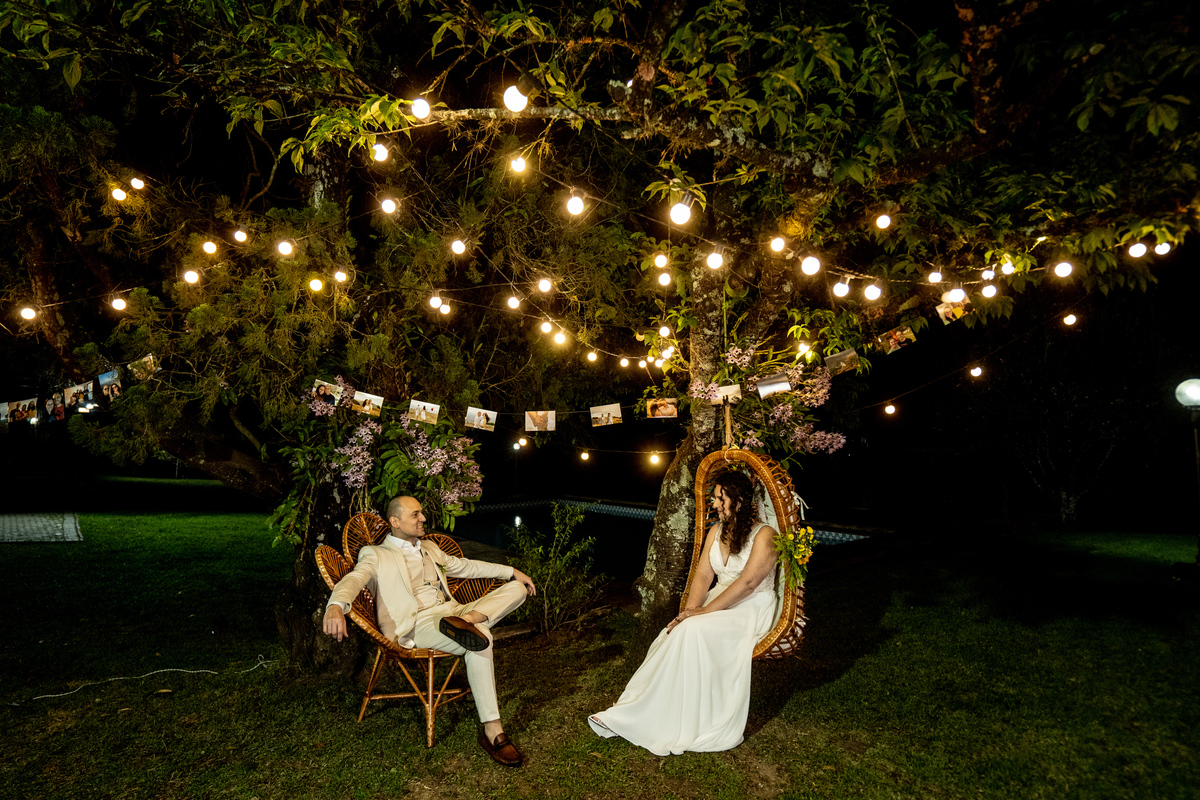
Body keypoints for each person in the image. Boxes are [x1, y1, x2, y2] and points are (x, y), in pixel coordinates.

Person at [323, 495, 538, 767]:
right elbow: (354, 578)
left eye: (421, 513)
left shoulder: (429, 547)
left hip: (453, 612)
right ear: (395, 521)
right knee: (480, 640)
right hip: (417, 624)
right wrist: (335, 606)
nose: (423, 518)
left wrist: (510, 571)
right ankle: (493, 730)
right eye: (415, 515)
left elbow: (467, 566)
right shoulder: (375, 553)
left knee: (517, 589)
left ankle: (470, 619)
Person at [588, 469, 779, 755]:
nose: (714, 504)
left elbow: (748, 583)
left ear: (738, 501)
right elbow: (703, 575)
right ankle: (637, 710)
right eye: (714, 498)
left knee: (693, 628)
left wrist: (703, 613)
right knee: (674, 630)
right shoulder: (717, 531)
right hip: (722, 599)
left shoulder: (765, 535)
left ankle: (685, 718)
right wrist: (689, 610)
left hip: (751, 606)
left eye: (719, 498)